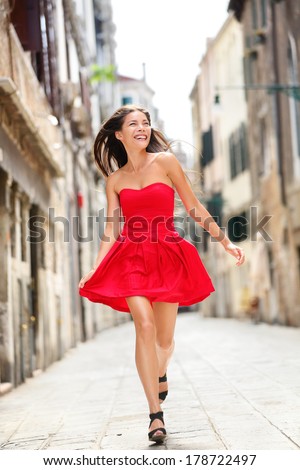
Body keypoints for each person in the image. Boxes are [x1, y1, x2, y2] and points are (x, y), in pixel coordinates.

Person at [78, 104, 245, 444]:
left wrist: (224, 241)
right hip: (130, 257)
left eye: (146, 123)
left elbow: (194, 206)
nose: (142, 128)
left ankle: (161, 370)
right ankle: (155, 415)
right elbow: (111, 229)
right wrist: (96, 266)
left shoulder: (166, 163)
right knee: (145, 323)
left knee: (164, 342)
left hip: (167, 254)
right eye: (133, 124)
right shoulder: (115, 180)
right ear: (119, 134)